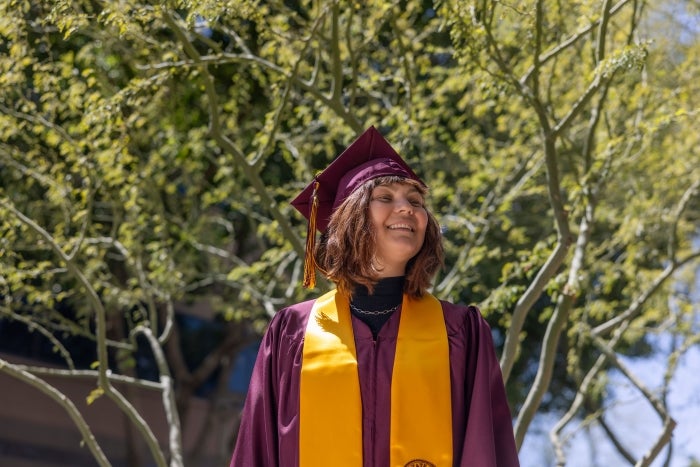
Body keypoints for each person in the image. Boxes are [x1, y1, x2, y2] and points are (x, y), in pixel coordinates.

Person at [230, 126, 520, 467]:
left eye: (415, 201)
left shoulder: (460, 332)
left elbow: (485, 452)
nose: (407, 208)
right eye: (385, 197)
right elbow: (258, 452)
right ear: (349, 217)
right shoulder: (293, 333)